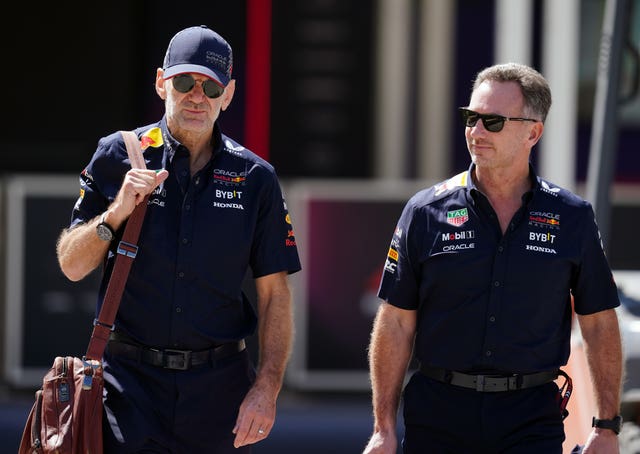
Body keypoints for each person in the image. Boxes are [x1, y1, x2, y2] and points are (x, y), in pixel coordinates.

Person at [56, 25, 301, 453]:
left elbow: (274, 295)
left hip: (218, 391)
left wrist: (267, 387)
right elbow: (71, 265)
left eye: (211, 86)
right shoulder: (119, 152)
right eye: (185, 81)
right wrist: (117, 212)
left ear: (228, 95)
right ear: (160, 82)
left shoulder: (255, 178)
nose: (196, 96)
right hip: (126, 387)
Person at [363, 63, 623, 453]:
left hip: (531, 415)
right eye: (471, 118)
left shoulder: (572, 216)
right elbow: (396, 322)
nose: (476, 132)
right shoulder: (424, 211)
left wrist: (606, 427)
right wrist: (383, 429)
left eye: (493, 122)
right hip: (439, 413)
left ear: (532, 132)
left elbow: (599, 322)